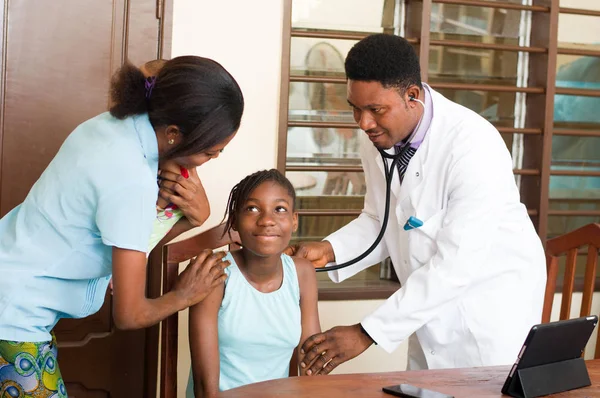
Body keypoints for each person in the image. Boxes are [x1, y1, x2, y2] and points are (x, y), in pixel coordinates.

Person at [285, 34, 547, 374]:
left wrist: (367, 333)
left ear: (412, 96)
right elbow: (381, 219)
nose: (363, 123)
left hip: (488, 308)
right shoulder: (379, 138)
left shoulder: (473, 145)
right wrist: (330, 249)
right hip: (429, 309)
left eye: (375, 110)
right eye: (355, 108)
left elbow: (457, 265)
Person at [0, 55, 244, 397]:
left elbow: (124, 241)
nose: (210, 161)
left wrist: (191, 215)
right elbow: (129, 313)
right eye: (211, 153)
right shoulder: (130, 180)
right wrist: (184, 295)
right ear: (174, 134)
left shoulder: (114, 125)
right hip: (11, 316)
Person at [187, 169, 320, 397]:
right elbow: (204, 385)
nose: (267, 220)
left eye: (279, 209)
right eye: (252, 208)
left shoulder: (302, 273)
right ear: (235, 220)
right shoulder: (214, 274)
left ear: (294, 220)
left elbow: (312, 365)